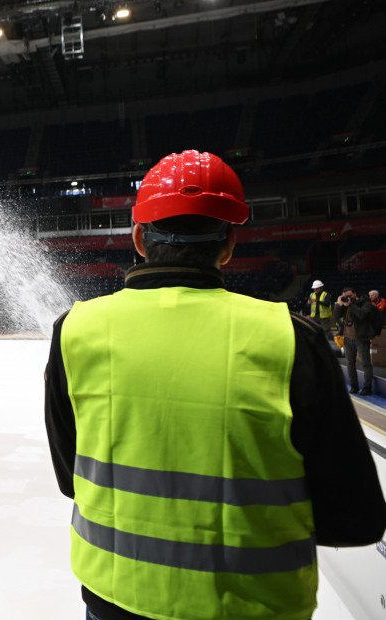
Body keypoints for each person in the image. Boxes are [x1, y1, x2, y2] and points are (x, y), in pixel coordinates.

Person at [44, 150, 386, 620]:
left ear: (139, 237)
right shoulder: (290, 339)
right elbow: (355, 516)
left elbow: (72, 479)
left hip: (112, 598)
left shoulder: (75, 330)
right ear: (228, 245)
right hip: (251, 607)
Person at [334, 287, 381, 396]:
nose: (348, 298)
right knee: (350, 364)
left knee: (365, 363)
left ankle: (367, 388)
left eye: (350, 296)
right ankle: (354, 386)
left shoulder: (366, 302)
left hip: (361, 338)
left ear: (355, 294)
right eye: (346, 296)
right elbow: (336, 316)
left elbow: (362, 315)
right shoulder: (346, 303)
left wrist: (350, 304)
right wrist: (338, 303)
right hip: (348, 338)